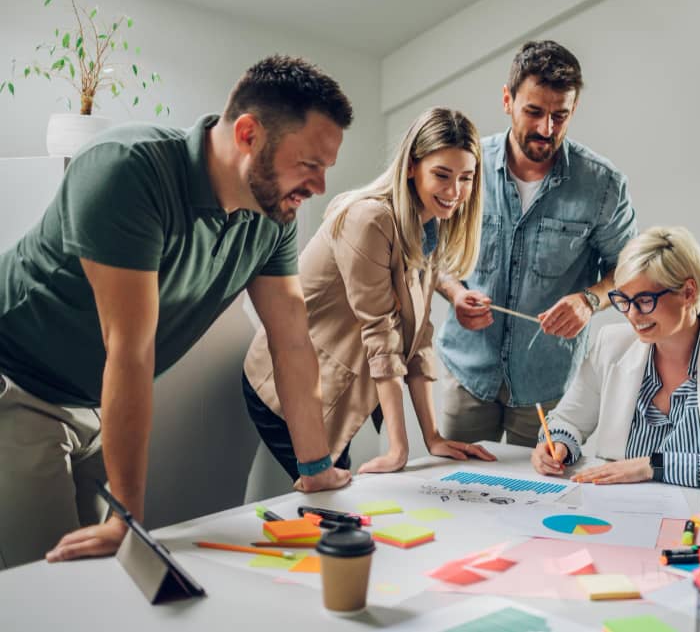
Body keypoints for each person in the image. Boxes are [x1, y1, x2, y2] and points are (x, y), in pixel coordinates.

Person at [0, 55, 354, 569]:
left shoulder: (272, 216)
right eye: (310, 165)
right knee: (42, 581)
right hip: (18, 384)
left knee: (105, 575)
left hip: (95, 402)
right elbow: (130, 350)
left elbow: (292, 341)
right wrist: (128, 518)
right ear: (250, 134)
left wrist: (316, 467)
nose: (319, 186)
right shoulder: (127, 168)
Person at [244, 108, 496, 478]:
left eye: (466, 178)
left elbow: (417, 336)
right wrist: (399, 449)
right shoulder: (370, 220)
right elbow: (381, 332)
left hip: (332, 389)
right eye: (441, 175)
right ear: (412, 166)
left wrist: (433, 438)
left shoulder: (431, 227)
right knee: (331, 505)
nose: (454, 192)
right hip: (283, 389)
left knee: (339, 503)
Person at [436, 40, 637, 447]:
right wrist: (455, 293)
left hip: (550, 384)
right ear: (507, 100)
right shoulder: (465, 166)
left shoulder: (603, 185)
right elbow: (429, 251)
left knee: (540, 500)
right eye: (534, 112)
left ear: (573, 110)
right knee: (458, 497)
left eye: (559, 116)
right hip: (467, 372)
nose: (547, 129)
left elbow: (631, 270)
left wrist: (589, 301)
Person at [531, 226, 700, 490]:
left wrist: (652, 466)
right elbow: (568, 421)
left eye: (644, 300)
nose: (632, 315)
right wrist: (558, 444)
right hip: (615, 511)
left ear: (689, 292)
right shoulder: (611, 343)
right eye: (623, 300)